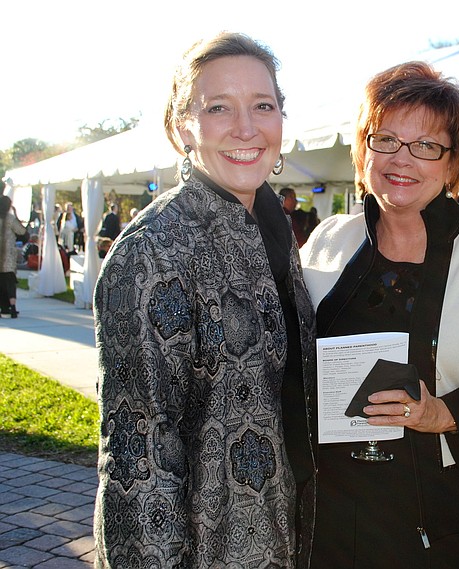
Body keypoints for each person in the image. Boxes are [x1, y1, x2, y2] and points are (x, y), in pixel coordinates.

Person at [92, 32, 317, 567]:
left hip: (292, 539)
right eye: (218, 107)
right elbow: (137, 460)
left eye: (262, 105)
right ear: (181, 128)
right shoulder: (151, 250)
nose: (246, 127)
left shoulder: (274, 231)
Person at [299, 61, 459, 568]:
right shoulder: (328, 241)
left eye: (426, 145)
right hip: (334, 512)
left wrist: (439, 414)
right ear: (364, 149)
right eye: (386, 139)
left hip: (442, 514)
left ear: (453, 163)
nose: (401, 159)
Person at [0, 195, 26, 318]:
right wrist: (16, 215)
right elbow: (22, 231)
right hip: (8, 256)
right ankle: (13, 308)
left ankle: (3, 308)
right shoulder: (10, 219)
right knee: (10, 282)